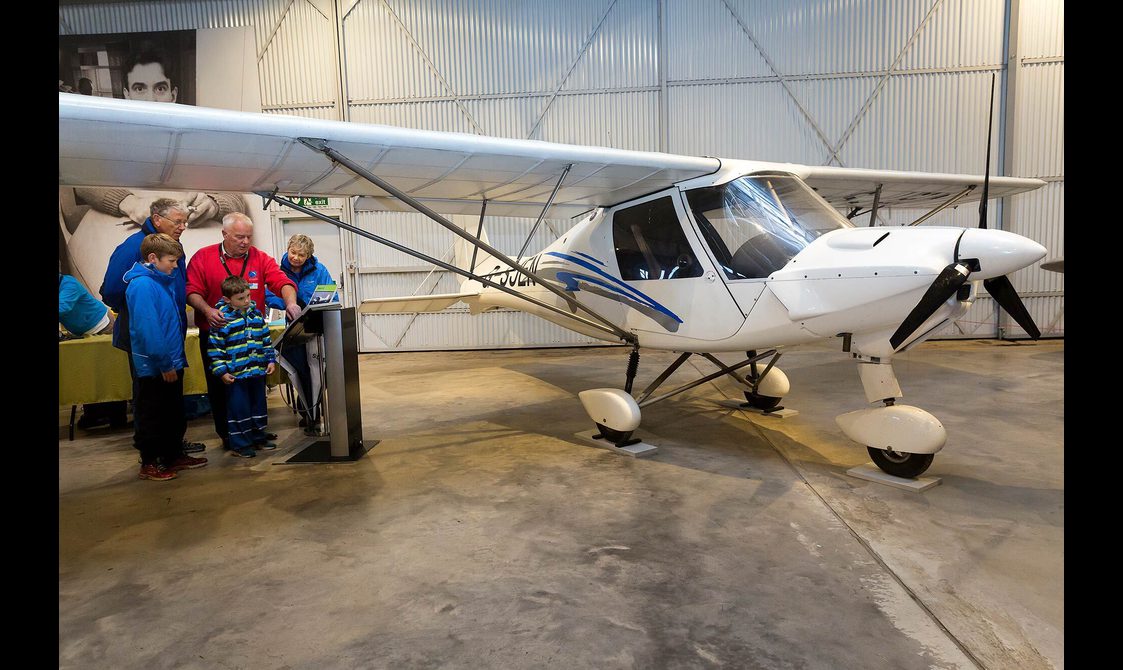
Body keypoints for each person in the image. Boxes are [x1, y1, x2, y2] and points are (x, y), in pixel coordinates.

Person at [59, 44, 249, 294]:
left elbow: (238, 194)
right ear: (127, 93)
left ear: (173, 93)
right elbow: (83, 181)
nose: (150, 97)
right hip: (125, 224)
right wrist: (126, 202)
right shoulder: (107, 137)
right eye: (140, 88)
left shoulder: (203, 138)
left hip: (194, 232)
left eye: (159, 88)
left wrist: (214, 203)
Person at [100, 198, 206, 454]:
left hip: (169, 336)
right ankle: (154, 456)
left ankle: (172, 448)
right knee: (151, 399)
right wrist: (143, 309)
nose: (183, 226)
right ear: (157, 219)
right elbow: (111, 292)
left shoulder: (170, 246)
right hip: (147, 339)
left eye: (185, 222)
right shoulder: (133, 248)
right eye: (178, 221)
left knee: (170, 398)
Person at [187, 212, 300, 451]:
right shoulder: (203, 257)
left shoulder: (259, 258)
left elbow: (283, 282)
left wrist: (290, 302)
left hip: (251, 336)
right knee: (224, 390)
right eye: (239, 237)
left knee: (254, 389)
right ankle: (230, 436)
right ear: (224, 234)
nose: (245, 242)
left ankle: (255, 434)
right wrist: (208, 311)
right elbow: (191, 291)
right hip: (219, 335)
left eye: (249, 237)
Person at [124, 234, 208, 480]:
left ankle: (172, 455)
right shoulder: (142, 286)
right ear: (153, 258)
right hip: (155, 365)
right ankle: (149, 462)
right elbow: (149, 329)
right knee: (152, 413)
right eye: (171, 261)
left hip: (171, 359)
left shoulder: (162, 281)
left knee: (173, 411)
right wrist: (164, 363)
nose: (174, 266)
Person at [265, 234, 339, 429]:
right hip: (294, 328)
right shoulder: (277, 270)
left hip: (316, 328)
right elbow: (268, 294)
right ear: (287, 249)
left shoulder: (319, 270)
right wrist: (290, 303)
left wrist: (314, 305)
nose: (296, 257)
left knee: (319, 373)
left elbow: (330, 292)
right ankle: (307, 411)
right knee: (300, 370)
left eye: (301, 254)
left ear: (309, 255)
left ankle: (314, 412)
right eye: (293, 252)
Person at [207, 276, 277, 458]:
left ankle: (258, 437)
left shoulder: (256, 315)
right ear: (227, 299)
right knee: (239, 409)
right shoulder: (223, 320)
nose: (246, 301)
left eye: (248, 296)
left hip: (256, 371)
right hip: (236, 374)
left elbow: (266, 341)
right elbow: (215, 349)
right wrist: (221, 371)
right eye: (241, 298)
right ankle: (240, 444)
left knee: (258, 406)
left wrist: (270, 360)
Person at [59, 273, 126, 429]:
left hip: (103, 326)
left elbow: (62, 307)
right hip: (83, 332)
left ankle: (117, 416)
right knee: (89, 372)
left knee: (109, 372)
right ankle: (94, 414)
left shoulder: (69, 284)